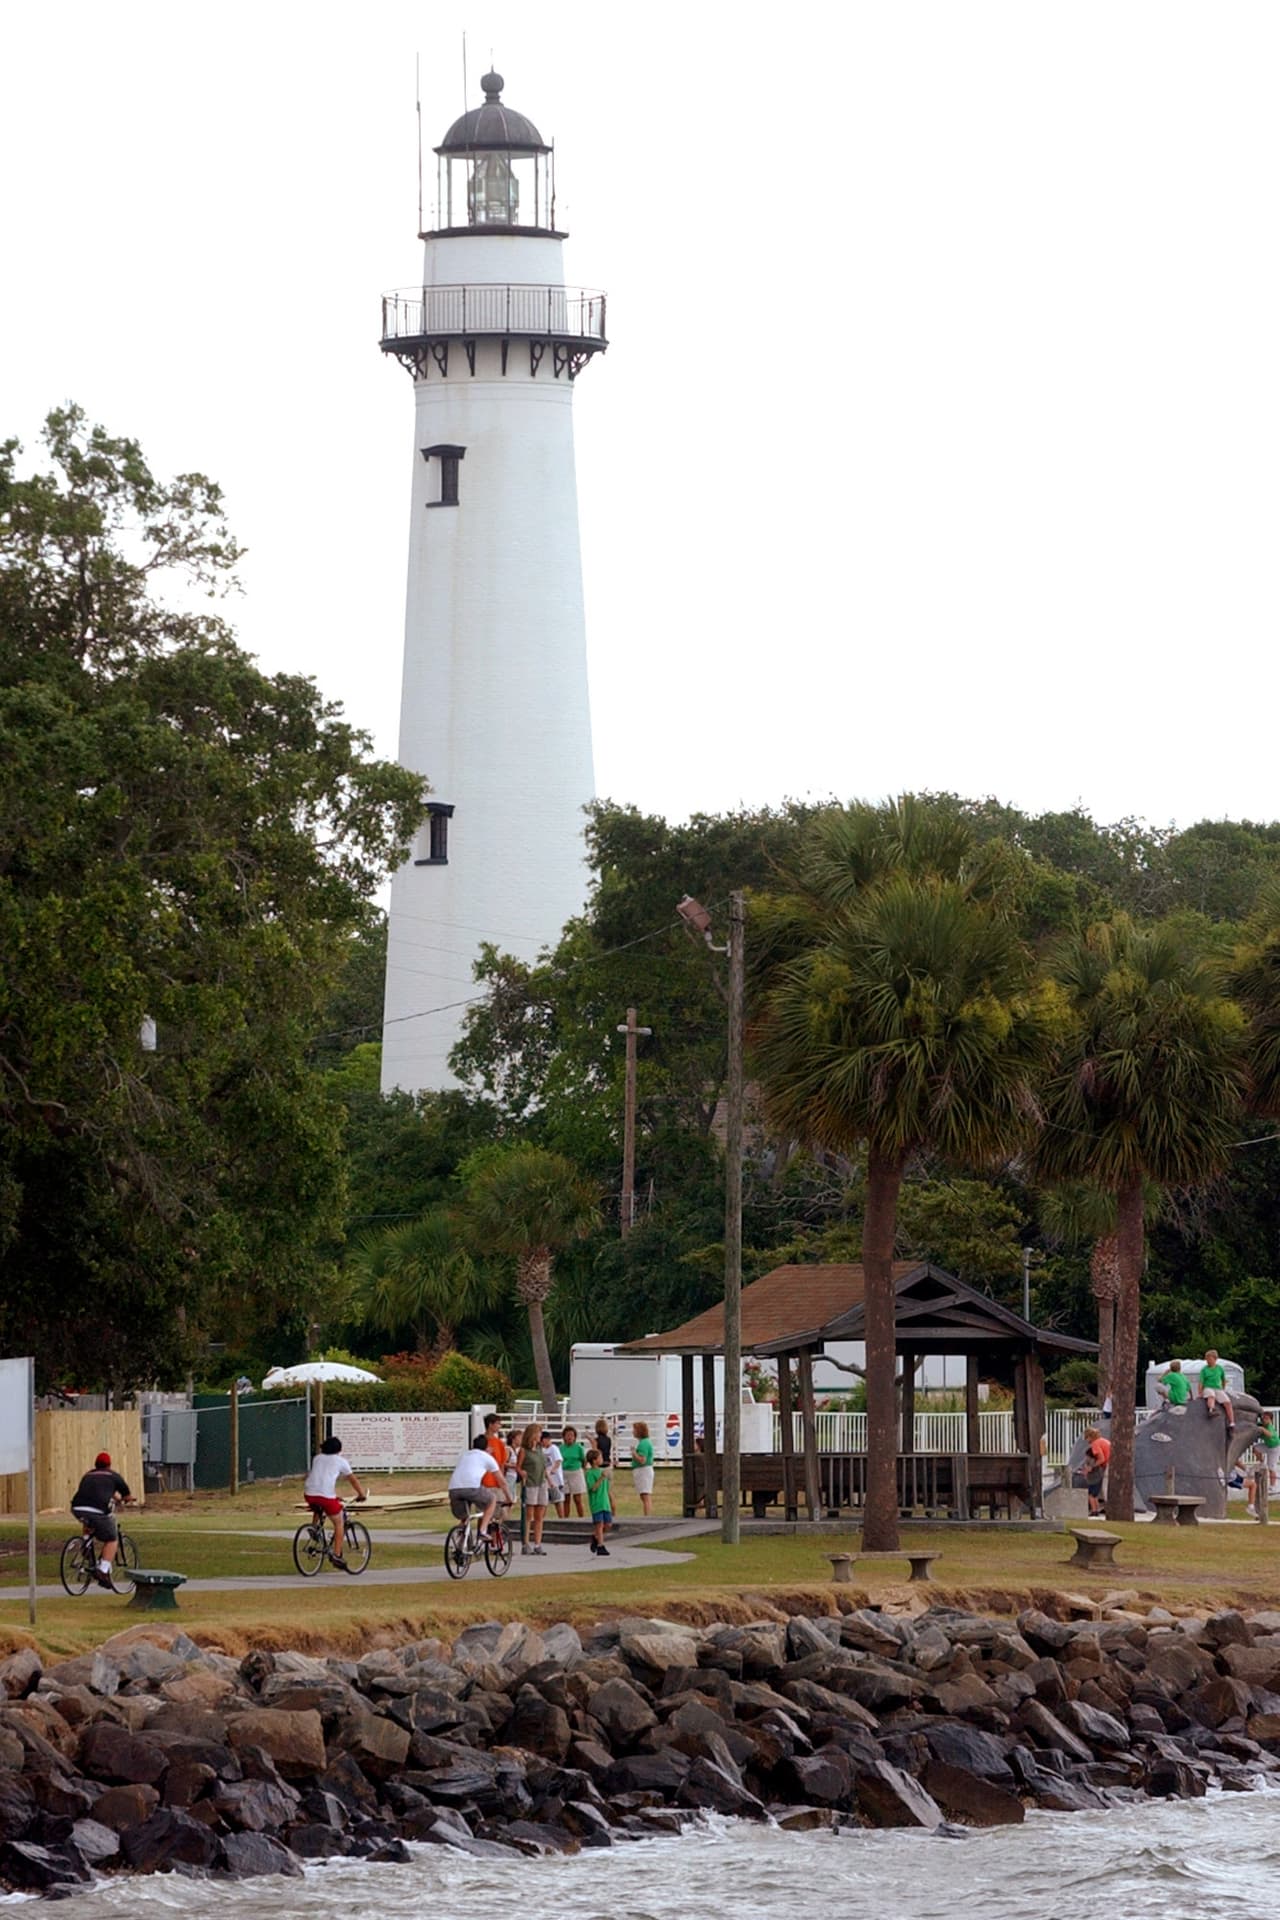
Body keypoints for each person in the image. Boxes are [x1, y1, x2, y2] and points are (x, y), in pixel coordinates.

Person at [70, 1451, 133, 1590]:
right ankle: (103, 1570)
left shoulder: (88, 1475)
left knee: (88, 1521)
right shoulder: (114, 1476)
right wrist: (126, 1499)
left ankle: (85, 1543)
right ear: (109, 1465)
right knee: (112, 1538)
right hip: (97, 1510)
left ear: (96, 1465)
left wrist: (116, 1497)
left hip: (77, 1507)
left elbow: (100, 1491)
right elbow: (126, 1495)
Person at [303, 1435, 366, 1567]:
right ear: (339, 1450)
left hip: (309, 1493)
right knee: (339, 1522)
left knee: (319, 1506)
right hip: (325, 1496)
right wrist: (361, 1494)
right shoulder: (341, 1461)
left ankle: (314, 1528)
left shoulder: (317, 1458)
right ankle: (337, 1555)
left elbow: (321, 1478)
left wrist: (334, 1496)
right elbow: (353, 1480)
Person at [448, 1433, 506, 1540]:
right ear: (486, 1447)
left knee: (465, 1516)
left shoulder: (465, 1455)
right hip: (472, 1487)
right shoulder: (487, 1457)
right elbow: (502, 1481)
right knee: (492, 1499)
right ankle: (483, 1531)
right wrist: (509, 1498)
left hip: (454, 1489)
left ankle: (462, 1537)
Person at [517, 1423, 550, 1554]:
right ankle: (525, 1543)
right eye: (538, 1433)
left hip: (541, 1482)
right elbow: (518, 1466)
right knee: (528, 1515)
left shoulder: (540, 1448)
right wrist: (521, 1472)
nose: (540, 1435)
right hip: (530, 1483)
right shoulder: (524, 1450)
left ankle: (537, 1544)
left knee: (539, 1515)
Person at [1076, 1426, 1111, 1518]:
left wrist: (1091, 1467)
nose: (1087, 1441)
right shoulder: (1103, 1440)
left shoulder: (1095, 1444)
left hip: (1108, 1465)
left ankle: (1105, 1509)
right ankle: (1098, 1508)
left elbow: (1102, 1459)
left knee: (1104, 1489)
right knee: (1100, 1490)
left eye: (1087, 1438)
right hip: (1112, 1464)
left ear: (1090, 1437)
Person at [585, 1446, 613, 1555]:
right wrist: (601, 1478)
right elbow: (593, 1488)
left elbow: (607, 1488)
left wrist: (609, 1478)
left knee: (608, 1524)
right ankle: (601, 1545)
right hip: (596, 1503)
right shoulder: (590, 1473)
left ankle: (595, 1537)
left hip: (605, 1502)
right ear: (594, 1460)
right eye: (599, 1458)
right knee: (599, 1524)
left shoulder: (602, 1471)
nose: (601, 1459)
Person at [1198, 1350, 1235, 1431]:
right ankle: (1211, 1410)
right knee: (1211, 1395)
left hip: (1218, 1388)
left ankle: (1231, 1422)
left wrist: (1223, 1388)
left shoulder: (1220, 1368)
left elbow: (1223, 1379)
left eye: (1209, 1359)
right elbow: (1201, 1382)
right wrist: (1200, 1392)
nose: (1208, 1361)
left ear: (1215, 1359)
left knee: (1228, 1402)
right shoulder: (1204, 1370)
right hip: (1208, 1387)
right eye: (1207, 1359)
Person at [560, 1425, 588, 1518]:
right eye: (567, 1435)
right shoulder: (561, 1448)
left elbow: (583, 1460)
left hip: (576, 1473)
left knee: (577, 1499)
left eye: (571, 1435)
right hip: (564, 1473)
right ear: (564, 1437)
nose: (569, 1437)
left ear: (575, 1437)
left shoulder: (578, 1448)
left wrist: (583, 1469)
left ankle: (581, 1518)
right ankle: (565, 1519)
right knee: (566, 1499)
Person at [631, 1419, 655, 1516]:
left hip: (643, 1471)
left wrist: (634, 1453)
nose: (633, 1432)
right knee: (644, 1495)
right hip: (642, 1471)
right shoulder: (644, 1442)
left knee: (645, 1495)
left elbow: (642, 1460)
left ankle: (647, 1516)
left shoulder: (643, 1443)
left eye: (634, 1430)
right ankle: (647, 1514)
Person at [545, 1432, 566, 1517]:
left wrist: (553, 1470)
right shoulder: (543, 1450)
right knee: (544, 1501)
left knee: (558, 1501)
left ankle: (561, 1518)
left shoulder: (554, 1448)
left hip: (556, 1480)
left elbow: (558, 1461)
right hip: (547, 1480)